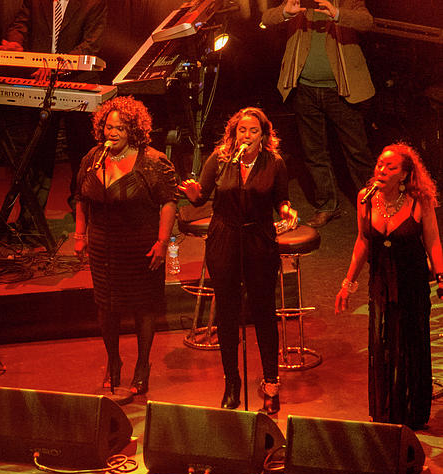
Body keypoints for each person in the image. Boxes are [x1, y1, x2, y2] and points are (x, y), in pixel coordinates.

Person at [180, 107, 297, 414]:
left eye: (253, 131)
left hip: (258, 238)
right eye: (242, 130)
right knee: (227, 312)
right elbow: (201, 197)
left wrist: (287, 211)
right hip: (225, 237)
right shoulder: (220, 159)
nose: (247, 136)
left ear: (264, 135)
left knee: (263, 311)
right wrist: (192, 192)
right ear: (234, 134)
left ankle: (271, 382)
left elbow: (281, 200)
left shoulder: (275, 163)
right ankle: (232, 382)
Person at [74, 96, 180, 398]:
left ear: (133, 130)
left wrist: (162, 243)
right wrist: (79, 235)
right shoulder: (93, 158)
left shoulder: (152, 161)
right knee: (106, 307)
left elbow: (169, 202)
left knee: (143, 308)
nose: (113, 133)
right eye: (109, 127)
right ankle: (114, 360)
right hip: (103, 245)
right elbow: (81, 198)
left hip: (140, 245)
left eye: (120, 128)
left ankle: (142, 365)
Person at [335, 143, 443, 431]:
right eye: (380, 165)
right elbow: (362, 241)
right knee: (383, 343)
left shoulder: (419, 201)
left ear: (405, 174)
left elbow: (432, 239)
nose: (381, 170)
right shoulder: (365, 199)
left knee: (411, 344)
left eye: (390, 167)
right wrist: (348, 283)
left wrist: (441, 276)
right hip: (381, 281)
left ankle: (413, 412)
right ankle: (385, 412)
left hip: (412, 283)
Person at [0, 0, 107, 234]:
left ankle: (84, 217)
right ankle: (30, 222)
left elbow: (91, 45)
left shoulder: (93, 2)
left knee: (83, 155)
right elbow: (21, 23)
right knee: (37, 154)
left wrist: (57, 64)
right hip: (41, 82)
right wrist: (14, 42)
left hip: (79, 83)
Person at [261, 0, 375, 228]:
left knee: (357, 152)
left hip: (342, 90)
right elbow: (266, 18)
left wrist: (338, 13)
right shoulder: (300, 2)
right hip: (304, 87)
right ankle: (327, 206)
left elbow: (367, 22)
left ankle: (374, 206)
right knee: (314, 152)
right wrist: (286, 11)